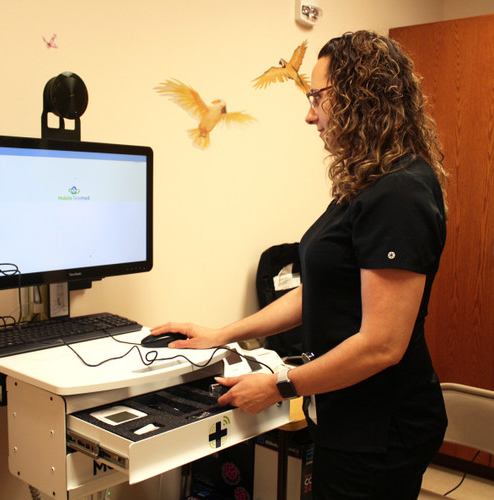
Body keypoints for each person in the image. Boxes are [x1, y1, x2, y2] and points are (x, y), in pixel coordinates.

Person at [151, 30, 448, 499]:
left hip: (381, 429)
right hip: (345, 413)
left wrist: (279, 385)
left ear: (358, 95)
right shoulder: (368, 183)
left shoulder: (400, 193)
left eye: (317, 97)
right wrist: (221, 334)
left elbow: (382, 345)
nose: (310, 114)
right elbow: (322, 291)